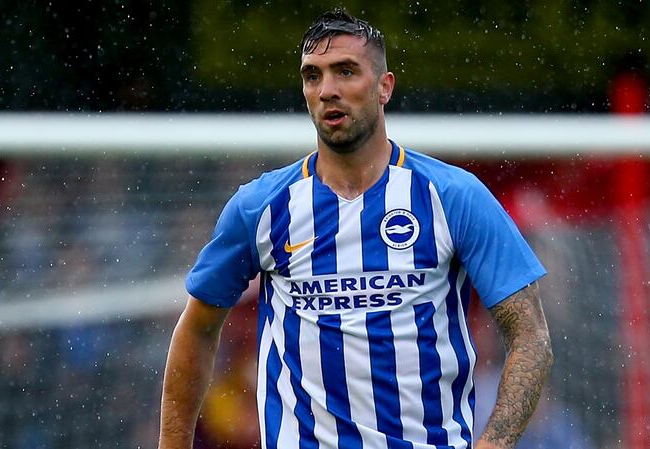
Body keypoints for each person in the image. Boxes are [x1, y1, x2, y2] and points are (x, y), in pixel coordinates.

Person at [159, 7, 553, 449]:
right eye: (313, 76)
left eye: (346, 72)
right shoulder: (261, 207)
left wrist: (492, 445)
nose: (328, 90)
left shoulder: (453, 197)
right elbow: (197, 330)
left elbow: (531, 336)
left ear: (385, 87)